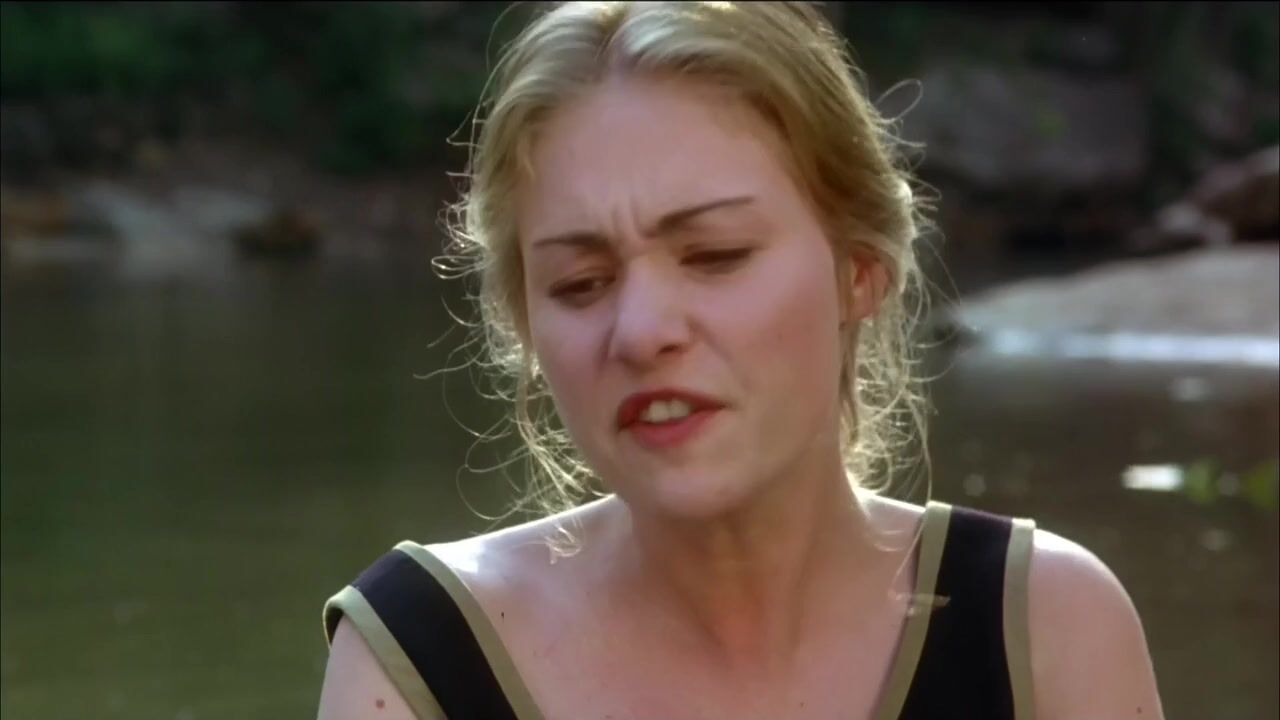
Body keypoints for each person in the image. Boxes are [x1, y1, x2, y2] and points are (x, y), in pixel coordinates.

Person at [316, 2, 1165, 718]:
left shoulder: (1044, 630)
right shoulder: (419, 659)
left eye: (715, 255)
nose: (641, 332)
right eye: (580, 283)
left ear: (858, 272)